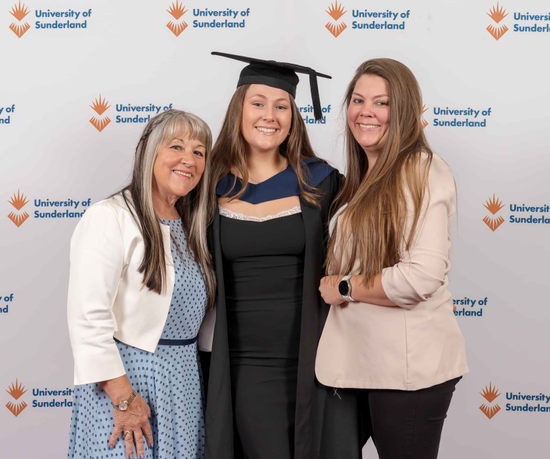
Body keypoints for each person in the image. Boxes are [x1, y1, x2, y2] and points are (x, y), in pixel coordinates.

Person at [201, 52, 365, 459]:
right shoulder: (207, 189)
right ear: (238, 109)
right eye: (257, 103)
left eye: (281, 106)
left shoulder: (321, 183)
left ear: (294, 116)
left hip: (316, 361)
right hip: (243, 366)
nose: (268, 116)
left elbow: (372, 240)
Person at [316, 58, 469, 459]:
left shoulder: (421, 170)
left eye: (381, 103)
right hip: (364, 366)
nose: (366, 111)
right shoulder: (363, 177)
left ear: (403, 112)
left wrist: (346, 287)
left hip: (409, 375)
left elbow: (422, 276)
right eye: (358, 99)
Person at [67, 110, 216, 459]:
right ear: (149, 153)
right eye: (176, 146)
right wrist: (124, 399)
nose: (188, 160)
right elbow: (88, 318)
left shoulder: (194, 227)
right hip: (127, 385)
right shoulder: (110, 217)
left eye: (199, 151)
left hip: (182, 381)